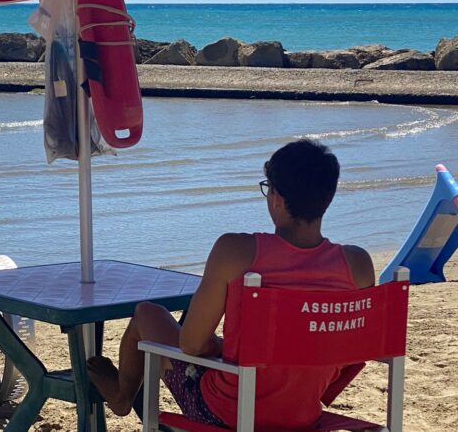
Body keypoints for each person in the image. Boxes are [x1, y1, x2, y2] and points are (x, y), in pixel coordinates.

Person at [87, 139, 375, 430]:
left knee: (147, 313)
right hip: (304, 415)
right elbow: (348, 352)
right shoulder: (358, 265)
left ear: (276, 196)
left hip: (226, 412)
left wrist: (222, 347)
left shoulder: (236, 252)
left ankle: (123, 398)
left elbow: (191, 345)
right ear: (329, 196)